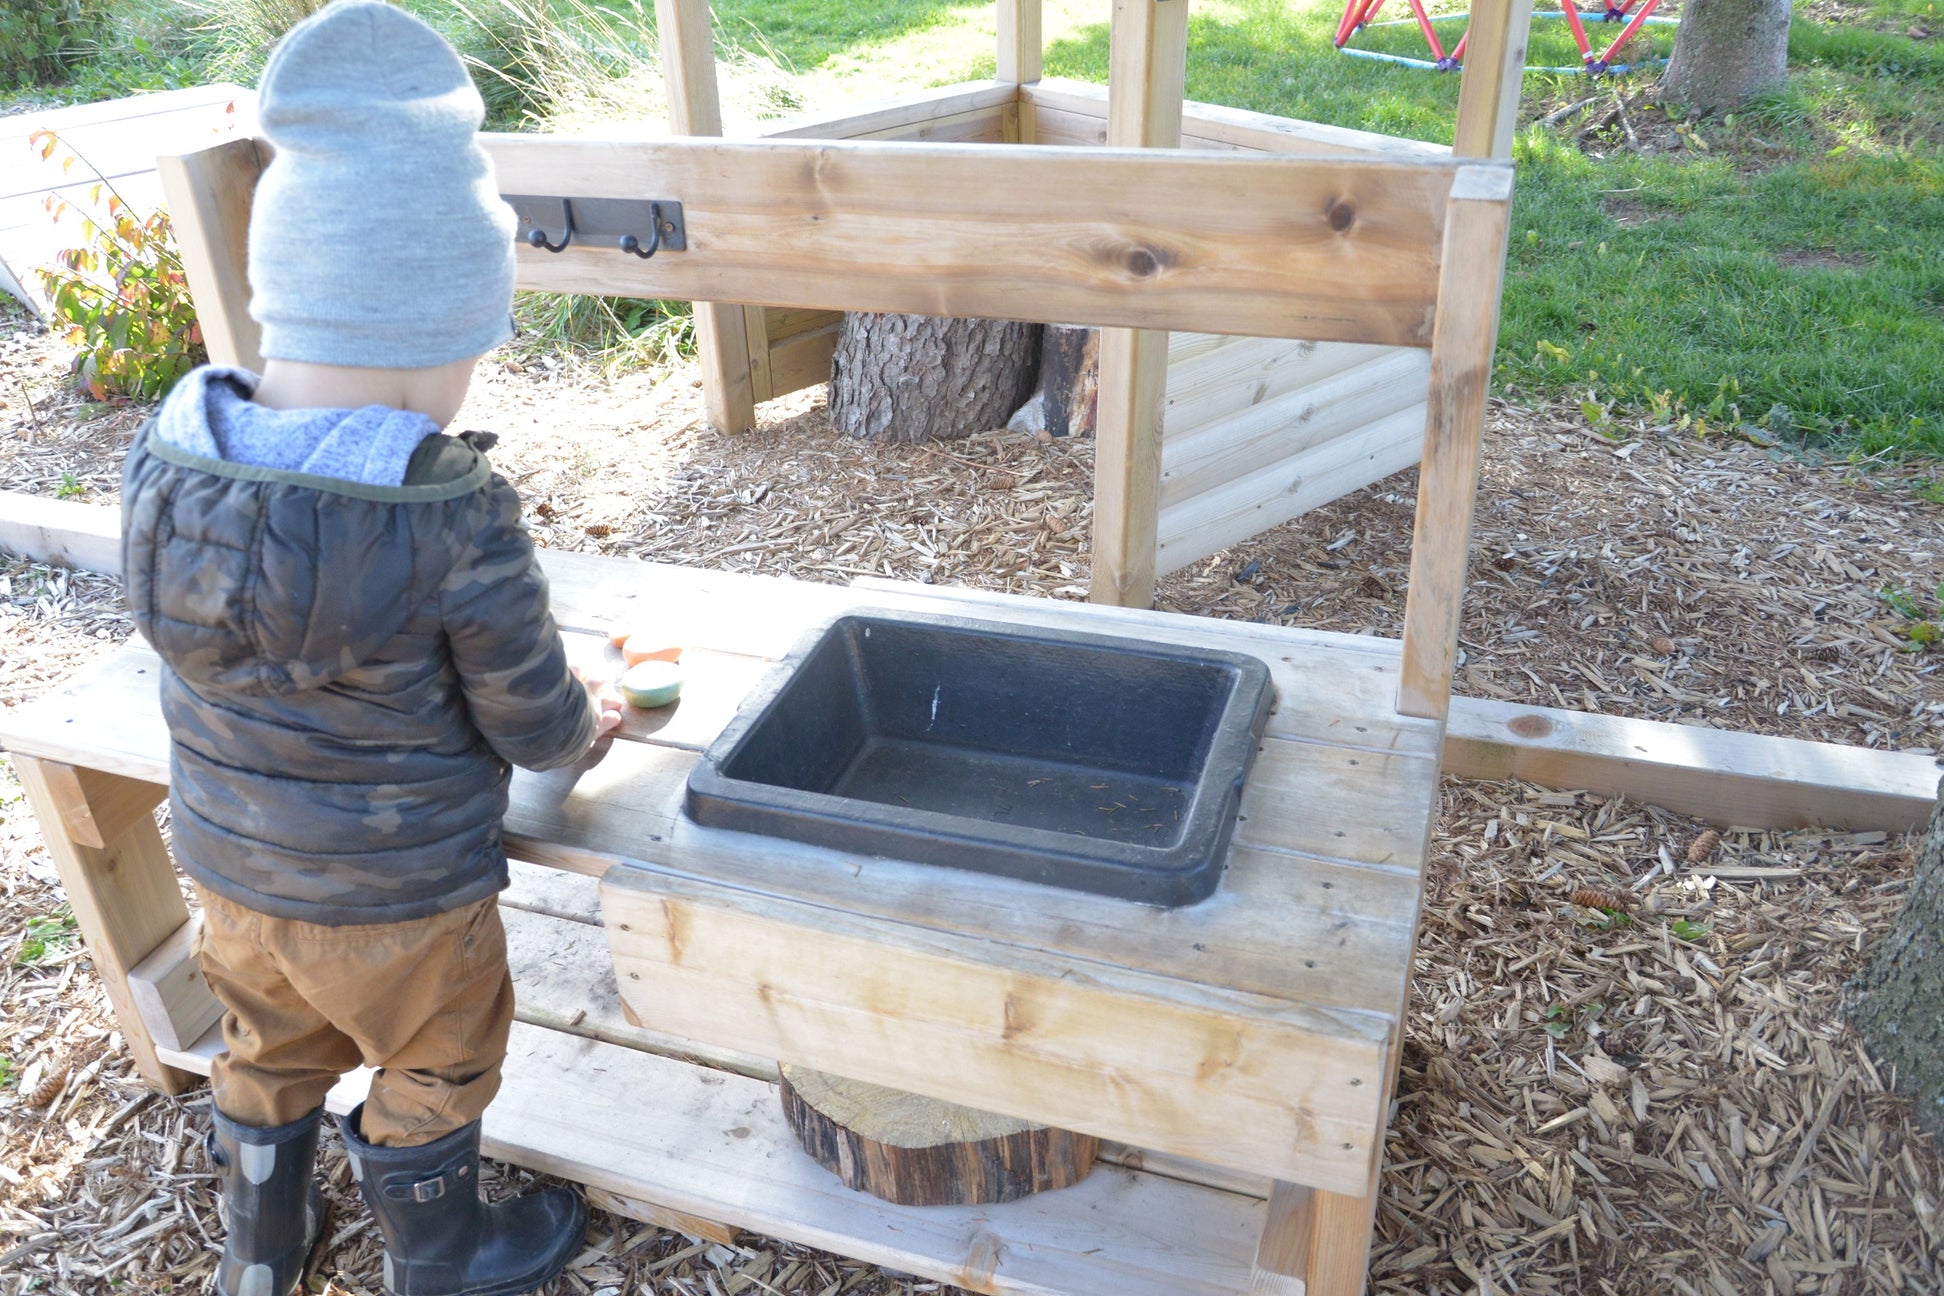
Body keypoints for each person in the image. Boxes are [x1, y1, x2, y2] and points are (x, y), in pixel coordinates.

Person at [119, 3, 623, 1293]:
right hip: (401, 898)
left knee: (267, 1045)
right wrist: (589, 725)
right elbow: (526, 713)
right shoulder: (447, 508)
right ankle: (438, 1257)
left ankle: (259, 1254)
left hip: (231, 874)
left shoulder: (174, 462)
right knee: (435, 1056)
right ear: (427, 341)